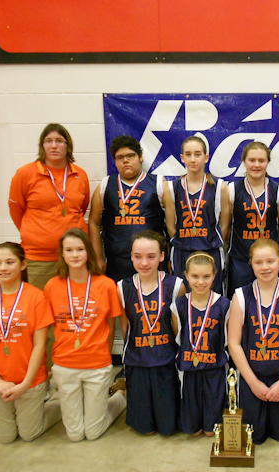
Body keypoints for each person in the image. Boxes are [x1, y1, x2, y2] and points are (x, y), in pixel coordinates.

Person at [0, 242, 61, 443]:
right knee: (6, 438)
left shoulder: (36, 298)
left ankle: (61, 404)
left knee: (29, 434)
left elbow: (40, 346)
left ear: (23, 265)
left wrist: (25, 384)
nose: (3, 268)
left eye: (9, 262)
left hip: (30, 382)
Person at [44, 228, 126, 442]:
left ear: (88, 251)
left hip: (96, 364)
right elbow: (49, 330)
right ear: (62, 254)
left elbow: (110, 325)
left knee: (92, 432)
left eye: (80, 249)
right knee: (75, 435)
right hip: (65, 364)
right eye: (69, 250)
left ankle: (120, 397)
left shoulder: (106, 285)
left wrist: (104, 357)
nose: (75, 255)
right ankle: (63, 398)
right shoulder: (52, 286)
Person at [227, 238, 279, 444]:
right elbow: (234, 343)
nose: (265, 267)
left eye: (270, 261)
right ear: (251, 264)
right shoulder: (240, 296)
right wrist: (253, 383)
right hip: (251, 376)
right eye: (259, 262)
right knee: (253, 438)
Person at [117, 230, 185, 435]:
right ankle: (120, 395)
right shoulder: (122, 287)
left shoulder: (176, 286)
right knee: (144, 429)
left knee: (168, 428)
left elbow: (178, 329)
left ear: (162, 256)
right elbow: (126, 327)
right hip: (138, 362)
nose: (144, 263)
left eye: (151, 256)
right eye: (137, 256)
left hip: (166, 361)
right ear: (131, 256)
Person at [9, 124, 90, 290]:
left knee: (73, 305)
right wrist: (35, 233)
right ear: (42, 146)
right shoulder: (25, 173)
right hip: (39, 258)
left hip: (74, 257)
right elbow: (17, 210)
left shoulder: (80, 175)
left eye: (60, 141)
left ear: (68, 146)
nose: (54, 145)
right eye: (49, 141)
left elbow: (82, 207)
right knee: (41, 307)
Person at [89, 135, 166, 282]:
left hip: (151, 262)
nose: (125, 160)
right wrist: (98, 258)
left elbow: (171, 224)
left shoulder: (158, 184)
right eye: (120, 157)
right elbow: (93, 222)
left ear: (140, 157)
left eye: (130, 156)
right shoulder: (105, 185)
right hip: (116, 262)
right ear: (115, 161)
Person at [172, 251, 231, 436]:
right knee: (193, 431)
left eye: (206, 276)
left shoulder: (224, 305)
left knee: (210, 431)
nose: (200, 282)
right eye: (195, 276)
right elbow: (177, 337)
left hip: (215, 368)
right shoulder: (178, 306)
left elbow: (227, 339)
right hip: (189, 369)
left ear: (214, 276)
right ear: (186, 276)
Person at [162, 136, 229, 293]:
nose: (193, 159)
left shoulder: (220, 187)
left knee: (214, 299)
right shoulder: (171, 188)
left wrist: (214, 241)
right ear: (182, 158)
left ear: (206, 157)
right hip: (182, 252)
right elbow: (171, 225)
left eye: (197, 154)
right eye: (188, 154)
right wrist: (181, 243)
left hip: (210, 250)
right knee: (182, 299)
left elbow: (225, 223)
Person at [227, 142, 279, 298]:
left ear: (267, 162)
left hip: (268, 261)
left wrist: (272, 250)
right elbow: (226, 227)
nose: (256, 165)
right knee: (239, 301)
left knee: (269, 300)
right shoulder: (232, 190)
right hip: (240, 259)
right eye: (252, 160)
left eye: (261, 161)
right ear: (244, 162)